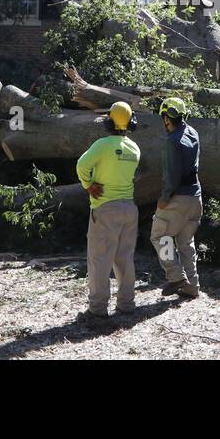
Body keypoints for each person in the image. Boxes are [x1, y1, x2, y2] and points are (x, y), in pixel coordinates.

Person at [75, 101, 141, 321]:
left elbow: (81, 165)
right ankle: (126, 304)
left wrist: (88, 185)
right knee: (124, 258)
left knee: (99, 259)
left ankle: (97, 309)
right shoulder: (134, 148)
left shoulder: (103, 145)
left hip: (105, 209)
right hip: (129, 208)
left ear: (109, 120)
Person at [151, 96, 203, 299]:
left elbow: (172, 176)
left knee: (159, 236)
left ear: (166, 118)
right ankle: (193, 285)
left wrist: (164, 198)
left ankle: (175, 277)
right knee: (185, 242)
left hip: (177, 198)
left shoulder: (172, 141)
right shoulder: (194, 133)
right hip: (196, 197)